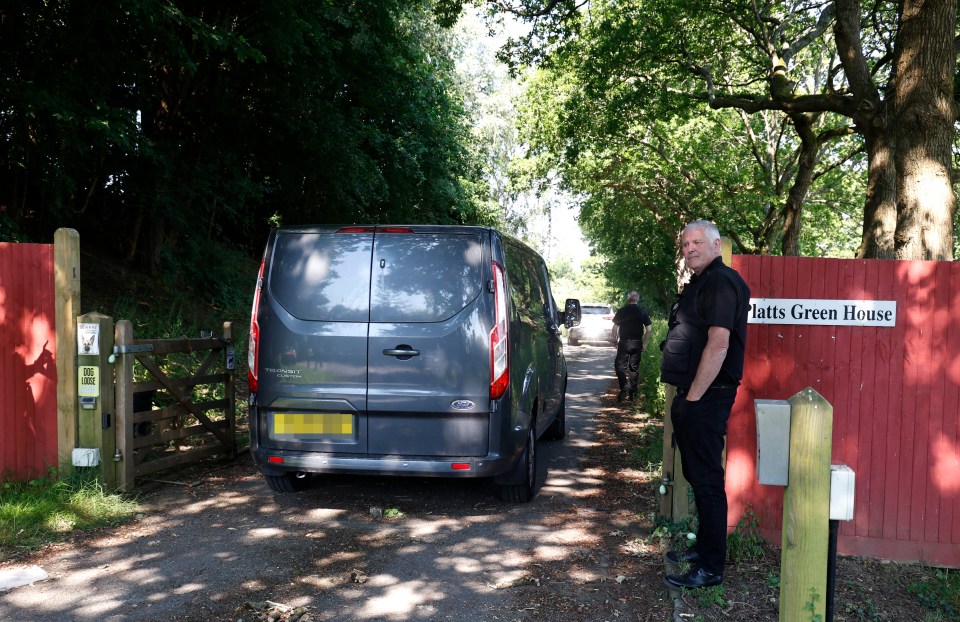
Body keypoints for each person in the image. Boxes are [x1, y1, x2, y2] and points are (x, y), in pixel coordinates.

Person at [660, 220, 750, 590]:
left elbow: (719, 343)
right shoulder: (702, 282)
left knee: (708, 483)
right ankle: (705, 550)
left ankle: (711, 568)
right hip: (695, 395)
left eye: (698, 242)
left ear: (716, 245)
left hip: (707, 396)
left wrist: (694, 397)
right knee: (698, 479)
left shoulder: (720, 282)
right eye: (685, 244)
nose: (690, 248)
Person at [612, 291, 651, 403]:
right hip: (637, 343)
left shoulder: (622, 311)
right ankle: (632, 393)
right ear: (637, 300)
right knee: (634, 368)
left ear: (628, 299)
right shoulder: (642, 312)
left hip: (624, 342)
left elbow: (615, 328)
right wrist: (644, 343)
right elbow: (649, 330)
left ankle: (624, 387)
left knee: (620, 366)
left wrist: (614, 339)